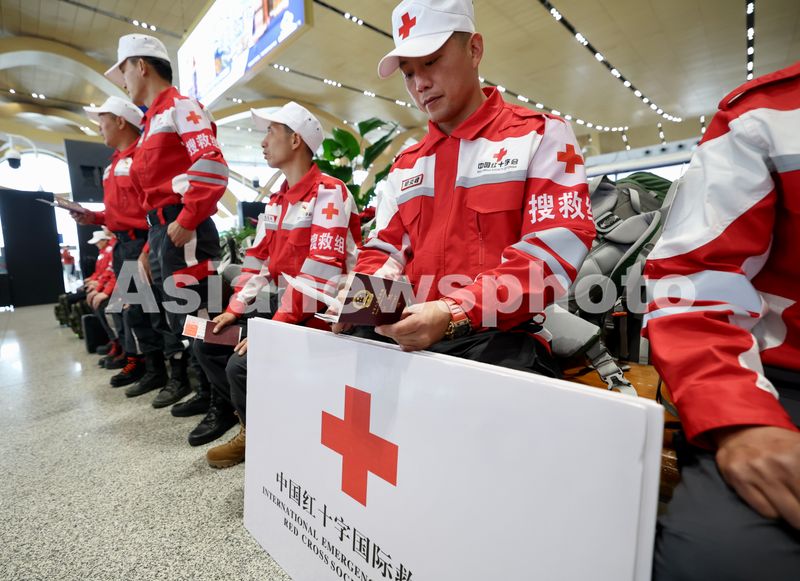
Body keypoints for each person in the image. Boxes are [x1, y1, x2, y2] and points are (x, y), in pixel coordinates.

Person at [332, 0, 595, 374]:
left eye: (431, 62)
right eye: (408, 73)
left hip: (498, 336)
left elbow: (549, 255)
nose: (420, 84)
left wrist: (454, 310)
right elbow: (386, 249)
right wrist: (362, 301)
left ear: (474, 50)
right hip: (411, 334)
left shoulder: (539, 136)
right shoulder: (407, 165)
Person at [644, 62, 800, 580]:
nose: (424, 83)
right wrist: (743, 421)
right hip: (776, 389)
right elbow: (693, 288)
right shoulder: (764, 114)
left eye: (433, 61)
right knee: (718, 558)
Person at [195, 103, 360, 464]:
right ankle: (253, 417)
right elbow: (257, 262)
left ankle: (261, 433)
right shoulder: (277, 203)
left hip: (326, 316)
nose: (263, 142)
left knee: (240, 365)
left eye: (271, 131)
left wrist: (274, 328)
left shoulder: (329, 193)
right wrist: (234, 310)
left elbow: (320, 275)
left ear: (296, 139)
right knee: (206, 340)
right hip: (291, 310)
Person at [105, 34, 228, 408]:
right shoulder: (151, 122)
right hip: (163, 231)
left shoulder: (180, 108)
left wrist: (188, 219)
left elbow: (211, 164)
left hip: (184, 227)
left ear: (141, 66)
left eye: (124, 70)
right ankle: (207, 391)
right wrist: (150, 244)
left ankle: (226, 403)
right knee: (181, 319)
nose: (124, 81)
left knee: (202, 316)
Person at [75, 96, 161, 387]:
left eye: (103, 121)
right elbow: (118, 213)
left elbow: (153, 208)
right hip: (124, 246)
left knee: (149, 311)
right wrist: (92, 217)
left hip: (141, 244)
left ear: (121, 121)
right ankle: (147, 366)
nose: (99, 127)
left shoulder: (142, 158)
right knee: (134, 310)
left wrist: (148, 249)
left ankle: (162, 371)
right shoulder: (113, 164)